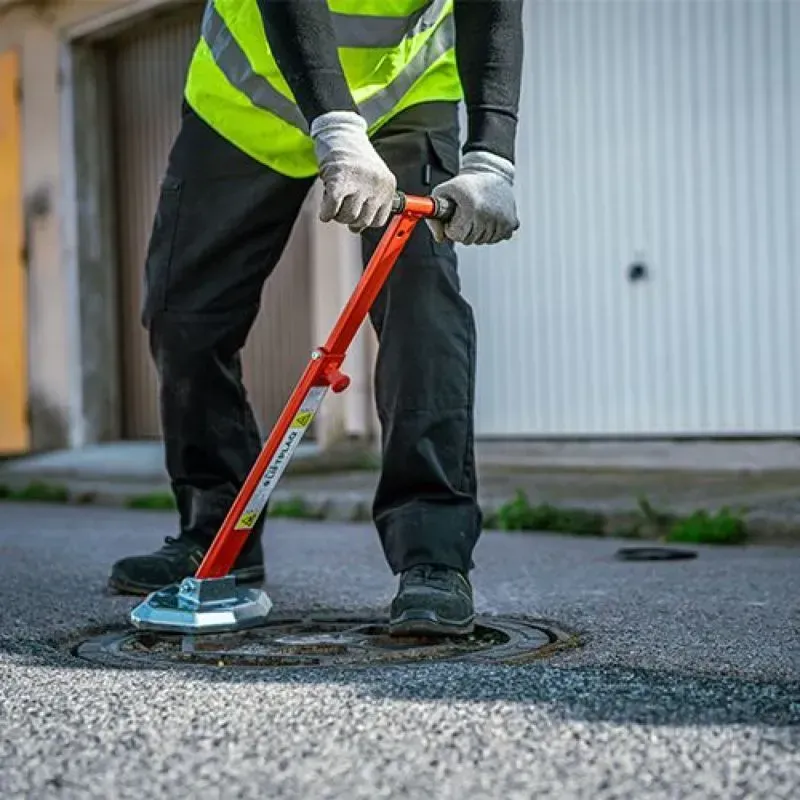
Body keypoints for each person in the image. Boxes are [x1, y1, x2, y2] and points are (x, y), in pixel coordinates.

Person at [108, 0, 523, 636]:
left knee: (423, 308)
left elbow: (492, 11)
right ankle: (219, 537)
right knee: (184, 317)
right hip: (244, 104)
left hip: (401, 100)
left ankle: (433, 558)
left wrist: (491, 157)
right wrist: (335, 124)